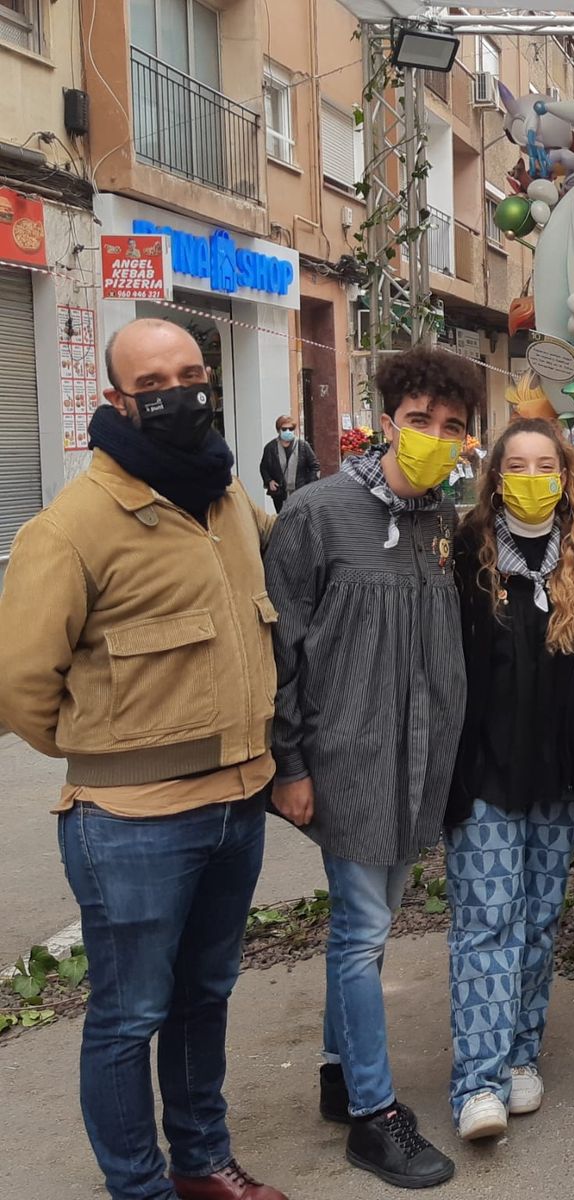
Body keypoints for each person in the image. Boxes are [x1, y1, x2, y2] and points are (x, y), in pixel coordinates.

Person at [0, 318, 284, 1200]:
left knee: (206, 996)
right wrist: (111, 751)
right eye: (153, 383)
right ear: (116, 400)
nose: (179, 393)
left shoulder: (227, 498)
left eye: (191, 374)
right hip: (132, 823)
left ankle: (201, 1161)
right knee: (129, 1018)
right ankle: (139, 1187)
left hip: (238, 802)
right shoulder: (71, 527)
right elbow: (20, 685)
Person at [265, 347, 484, 1188]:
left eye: (453, 427)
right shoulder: (316, 515)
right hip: (346, 756)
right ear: (387, 420)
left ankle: (337, 1069)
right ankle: (372, 1115)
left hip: (418, 759)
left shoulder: (439, 521)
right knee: (362, 933)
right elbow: (282, 649)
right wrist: (289, 763)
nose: (434, 437)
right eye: (421, 420)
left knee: (372, 926)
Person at [444, 417, 574, 1142]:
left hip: (559, 775)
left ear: (565, 476)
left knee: (538, 921)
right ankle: (478, 1081)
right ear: (494, 476)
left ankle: (522, 1053)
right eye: (515, 465)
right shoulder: (465, 552)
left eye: (544, 465)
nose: (530, 477)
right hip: (483, 773)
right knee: (487, 924)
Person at [259, 414, 320, 512]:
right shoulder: (270, 448)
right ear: (278, 430)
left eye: (291, 429)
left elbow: (315, 466)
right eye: (284, 429)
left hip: (300, 492)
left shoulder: (303, 446)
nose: (288, 431)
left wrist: (309, 485)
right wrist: (269, 481)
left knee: (299, 517)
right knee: (282, 517)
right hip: (280, 493)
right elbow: (263, 467)